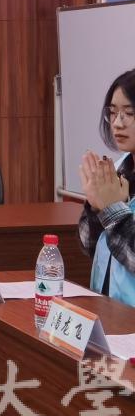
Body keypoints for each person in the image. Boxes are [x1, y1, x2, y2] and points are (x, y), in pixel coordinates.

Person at [78, 68, 135, 305]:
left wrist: (112, 210)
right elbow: (89, 245)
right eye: (112, 113)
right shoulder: (117, 169)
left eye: (129, 113)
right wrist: (95, 207)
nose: (117, 123)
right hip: (109, 307)